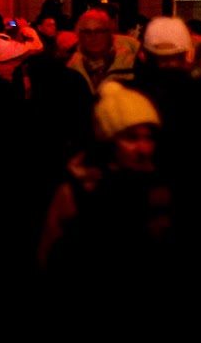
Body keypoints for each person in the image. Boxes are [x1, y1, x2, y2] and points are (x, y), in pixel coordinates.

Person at [38, 82, 173, 281]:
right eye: (131, 138)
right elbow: (47, 251)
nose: (143, 148)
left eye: (148, 138)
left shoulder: (162, 183)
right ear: (109, 141)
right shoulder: (81, 190)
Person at [69, 8, 138, 93]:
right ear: (79, 35)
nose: (93, 37)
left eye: (99, 31)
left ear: (109, 33)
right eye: (87, 32)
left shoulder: (132, 61)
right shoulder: (71, 68)